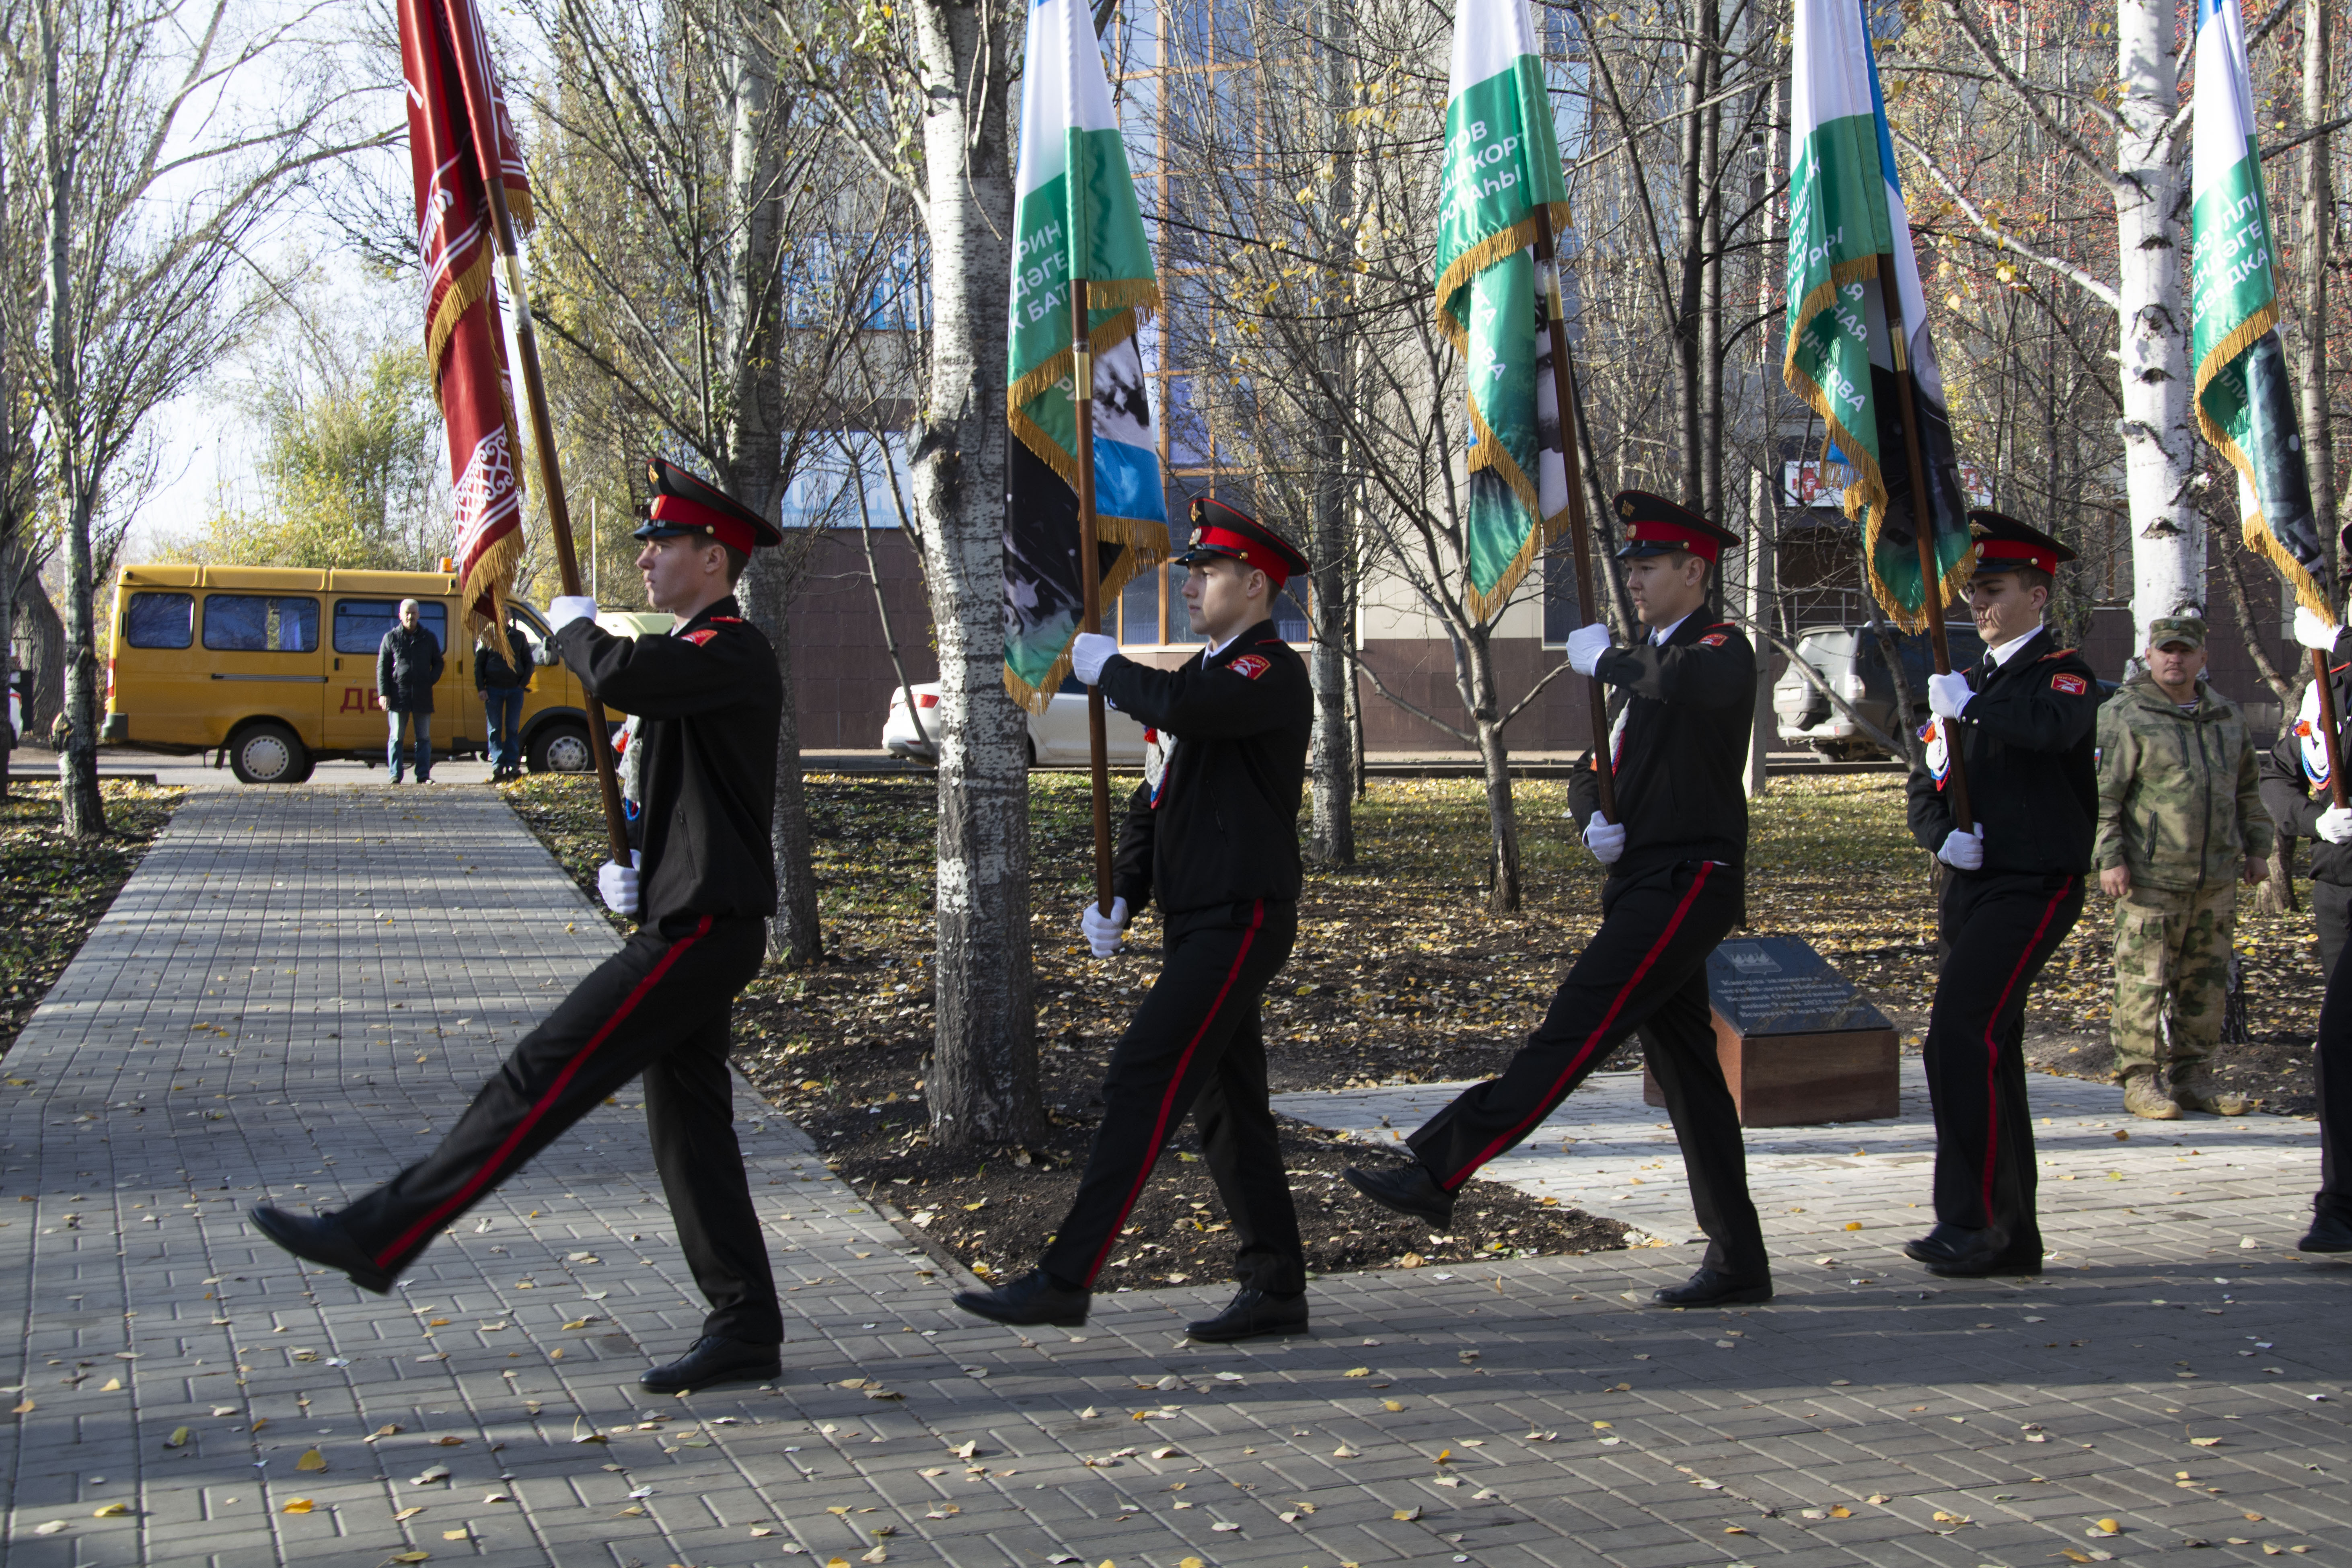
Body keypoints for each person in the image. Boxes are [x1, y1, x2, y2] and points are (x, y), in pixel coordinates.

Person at [253, 458, 794, 1392]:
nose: (647, 560)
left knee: (542, 1071)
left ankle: (383, 1232)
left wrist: (574, 629)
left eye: (662, 544)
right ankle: (745, 1323)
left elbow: (623, 674)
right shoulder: (693, 660)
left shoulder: (729, 651)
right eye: (648, 544)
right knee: (691, 1129)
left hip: (706, 930)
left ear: (714, 557)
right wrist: (630, 864)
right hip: (688, 914)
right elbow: (673, 787)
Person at [1343, 491, 1770, 1308]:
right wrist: (1590, 819)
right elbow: (1591, 765)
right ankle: (1738, 1256)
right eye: (1630, 567)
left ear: (1694, 569)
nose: (1633, 579)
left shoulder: (1717, 648)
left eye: (1648, 566)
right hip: (1642, 878)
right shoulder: (1643, 664)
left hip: (1688, 880)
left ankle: (1440, 1165)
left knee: (1572, 1027)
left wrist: (1607, 660)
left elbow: (1692, 682)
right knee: (1690, 1080)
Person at [950, 498, 1316, 1342]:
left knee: (1141, 1076)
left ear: (1254, 585)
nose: (1189, 582)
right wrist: (1121, 889)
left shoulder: (1267, 671)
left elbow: (1196, 716)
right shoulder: (1196, 675)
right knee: (1228, 1107)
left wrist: (1108, 667)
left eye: (1207, 569)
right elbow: (1153, 796)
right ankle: (1274, 1285)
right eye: (1189, 567)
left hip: (1242, 915)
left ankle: (1065, 1275)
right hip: (1196, 919)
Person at [1904, 512, 2101, 1277]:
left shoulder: (2060, 670)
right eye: (1973, 590)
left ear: (2036, 594)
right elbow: (1926, 783)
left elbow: (2051, 728)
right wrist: (1937, 836)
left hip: (2035, 881)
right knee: (1992, 1050)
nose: (1976, 604)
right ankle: (2014, 1234)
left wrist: (1970, 707)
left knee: (1957, 1033)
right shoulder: (1964, 683)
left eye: (1992, 589)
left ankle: (1971, 1217)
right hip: (1972, 886)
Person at [2094, 615, 2268, 1120]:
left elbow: (2248, 792)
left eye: (2185, 651)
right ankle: (2139, 1079)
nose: (2176, 659)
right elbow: (2103, 796)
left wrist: (2257, 848)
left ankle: (2193, 1077)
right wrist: (2110, 858)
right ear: (2148, 656)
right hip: (2149, 878)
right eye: (2166, 650)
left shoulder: (2226, 716)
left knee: (2205, 982)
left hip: (2214, 879)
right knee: (2143, 980)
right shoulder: (2125, 713)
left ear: (2201, 659)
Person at [2274, 604, 2352, 1252]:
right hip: (2340, 884)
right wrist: (2310, 818)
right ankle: (2343, 1200)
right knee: (2342, 1045)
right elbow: (2279, 770)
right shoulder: (2328, 682)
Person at [378, 598, 445, 783]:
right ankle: (395, 775)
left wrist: (429, 680)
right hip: (399, 695)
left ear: (419, 615)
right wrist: (384, 693)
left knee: (423, 738)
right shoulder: (391, 638)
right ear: (400, 615)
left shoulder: (429, 637)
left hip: (423, 696)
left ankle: (423, 776)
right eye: (407, 613)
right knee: (396, 738)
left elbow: (439, 663)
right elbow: (382, 668)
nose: (411, 617)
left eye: (414, 613)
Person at [476, 618, 535, 782]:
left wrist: (522, 684)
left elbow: (529, 662)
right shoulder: (487, 637)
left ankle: (512, 764)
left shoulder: (520, 637)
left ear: (510, 617)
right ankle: (497, 764)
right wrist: (481, 688)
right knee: (494, 729)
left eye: (506, 613)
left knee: (512, 728)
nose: (503, 616)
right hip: (493, 690)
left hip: (515, 690)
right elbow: (479, 664)